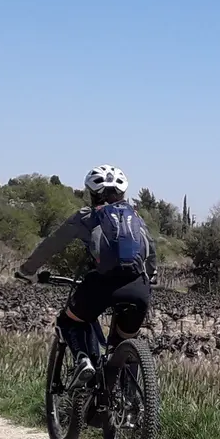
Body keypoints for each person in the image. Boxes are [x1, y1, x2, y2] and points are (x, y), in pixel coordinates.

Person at [15, 165, 156, 391]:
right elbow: (151, 253)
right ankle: (131, 401)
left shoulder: (87, 216)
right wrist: (151, 278)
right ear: (122, 194)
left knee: (69, 320)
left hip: (101, 285)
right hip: (137, 288)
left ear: (92, 193)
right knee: (126, 340)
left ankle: (83, 360)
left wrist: (27, 270)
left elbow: (52, 244)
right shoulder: (136, 217)